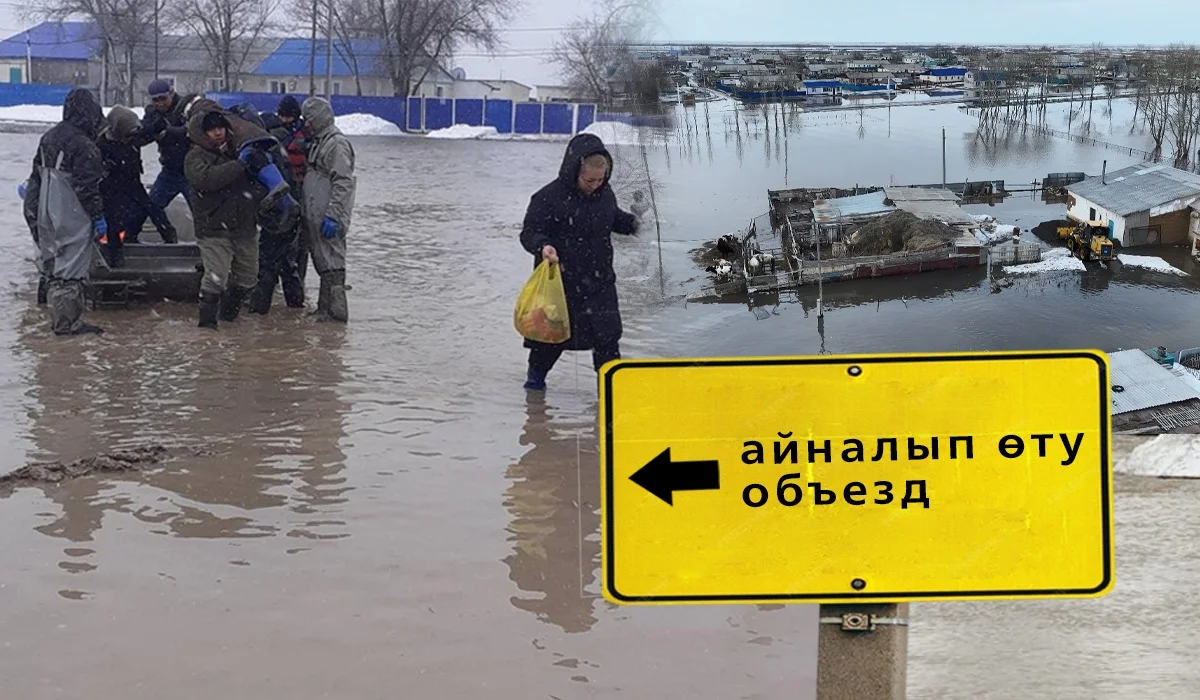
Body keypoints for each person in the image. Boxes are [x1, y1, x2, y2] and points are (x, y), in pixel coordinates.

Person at [518, 133, 640, 391]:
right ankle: (534, 390)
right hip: (560, 285)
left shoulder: (605, 194)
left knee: (608, 341)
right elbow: (529, 233)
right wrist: (544, 247)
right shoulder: (547, 198)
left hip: (600, 283)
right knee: (550, 340)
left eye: (601, 179)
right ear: (574, 170)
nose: (595, 185)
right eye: (589, 180)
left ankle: (610, 395)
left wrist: (632, 224)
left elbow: (612, 218)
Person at [21, 87, 107, 336]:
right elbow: (87, 186)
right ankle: (66, 325)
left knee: (52, 264)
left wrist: (33, 212)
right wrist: (98, 216)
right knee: (70, 268)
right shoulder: (84, 145)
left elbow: (36, 174)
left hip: (46, 208)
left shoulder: (49, 137)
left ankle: (55, 318)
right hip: (71, 211)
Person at [183, 102, 272, 328]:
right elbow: (208, 180)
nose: (218, 132)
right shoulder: (195, 157)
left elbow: (259, 187)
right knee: (216, 278)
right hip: (213, 227)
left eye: (220, 128)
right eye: (212, 130)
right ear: (202, 134)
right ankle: (207, 327)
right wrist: (240, 165)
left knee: (247, 277)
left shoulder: (242, 149)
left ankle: (228, 319)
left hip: (244, 226)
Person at [229, 102, 304, 314]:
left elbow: (276, 187)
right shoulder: (270, 145)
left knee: (266, 265)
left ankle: (258, 313)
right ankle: (295, 309)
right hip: (291, 211)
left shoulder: (254, 151)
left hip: (281, 214)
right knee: (287, 264)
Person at [300, 96, 356, 322]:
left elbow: (343, 182)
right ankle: (324, 309)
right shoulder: (319, 141)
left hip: (328, 215)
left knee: (333, 259)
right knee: (322, 260)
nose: (306, 124)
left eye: (309, 119)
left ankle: (337, 312)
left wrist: (333, 214)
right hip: (316, 213)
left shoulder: (336, 144)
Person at [132, 79, 197, 244]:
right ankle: (168, 234)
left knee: (201, 212)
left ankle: (208, 248)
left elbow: (193, 131)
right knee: (151, 205)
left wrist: (169, 132)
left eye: (163, 98)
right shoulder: (152, 113)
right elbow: (142, 136)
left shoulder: (187, 107)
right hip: (170, 170)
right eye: (156, 100)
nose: (160, 103)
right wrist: (153, 129)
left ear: (171, 93)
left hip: (192, 170)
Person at [96, 105, 159, 268]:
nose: (131, 138)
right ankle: (115, 255)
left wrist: (157, 122)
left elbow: (149, 132)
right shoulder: (102, 144)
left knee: (148, 208)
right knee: (114, 220)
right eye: (128, 135)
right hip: (111, 186)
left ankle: (135, 236)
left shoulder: (135, 137)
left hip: (133, 180)